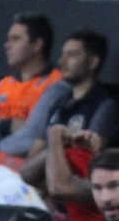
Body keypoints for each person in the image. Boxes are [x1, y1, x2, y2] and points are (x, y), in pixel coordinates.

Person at [12, 31, 117, 189]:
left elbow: (89, 159)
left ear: (93, 62)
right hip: (50, 187)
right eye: (62, 54)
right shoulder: (59, 104)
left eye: (72, 55)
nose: (62, 61)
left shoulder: (106, 105)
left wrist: (56, 145)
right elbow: (30, 165)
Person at [0, 14, 61, 166]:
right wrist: (7, 125)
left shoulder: (57, 83)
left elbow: (34, 137)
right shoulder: (3, 85)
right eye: (9, 39)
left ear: (37, 45)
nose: (7, 45)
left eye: (16, 39)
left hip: (31, 169)